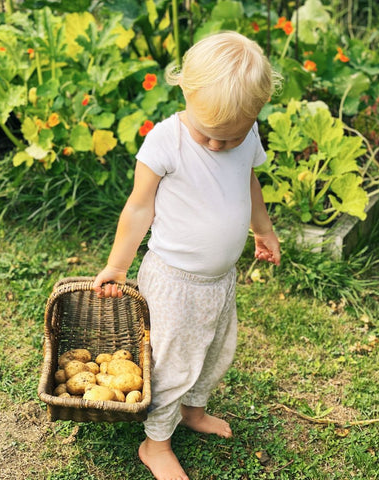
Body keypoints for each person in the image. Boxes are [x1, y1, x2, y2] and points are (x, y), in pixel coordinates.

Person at [92, 31, 282, 480]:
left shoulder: (246, 132)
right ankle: (155, 443)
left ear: (253, 116)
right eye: (208, 136)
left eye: (229, 139)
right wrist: (118, 266)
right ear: (185, 92)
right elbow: (138, 208)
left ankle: (193, 411)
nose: (217, 147)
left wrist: (264, 227)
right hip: (174, 280)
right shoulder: (166, 142)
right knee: (173, 363)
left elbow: (248, 184)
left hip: (220, 280)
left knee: (216, 352)